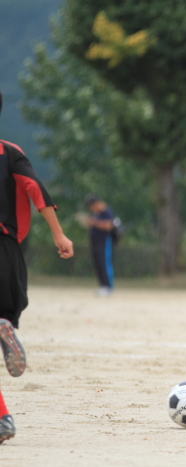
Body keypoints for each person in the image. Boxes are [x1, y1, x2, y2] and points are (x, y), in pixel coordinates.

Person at [0, 91, 74, 444]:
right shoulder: (10, 151)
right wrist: (59, 235)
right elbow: (36, 190)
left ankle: (2, 419)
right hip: (7, 252)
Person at [84, 194, 115, 296]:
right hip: (95, 241)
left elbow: (108, 225)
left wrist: (95, 223)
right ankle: (102, 285)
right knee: (97, 263)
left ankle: (108, 286)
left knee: (104, 262)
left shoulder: (106, 212)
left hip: (104, 241)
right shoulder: (94, 213)